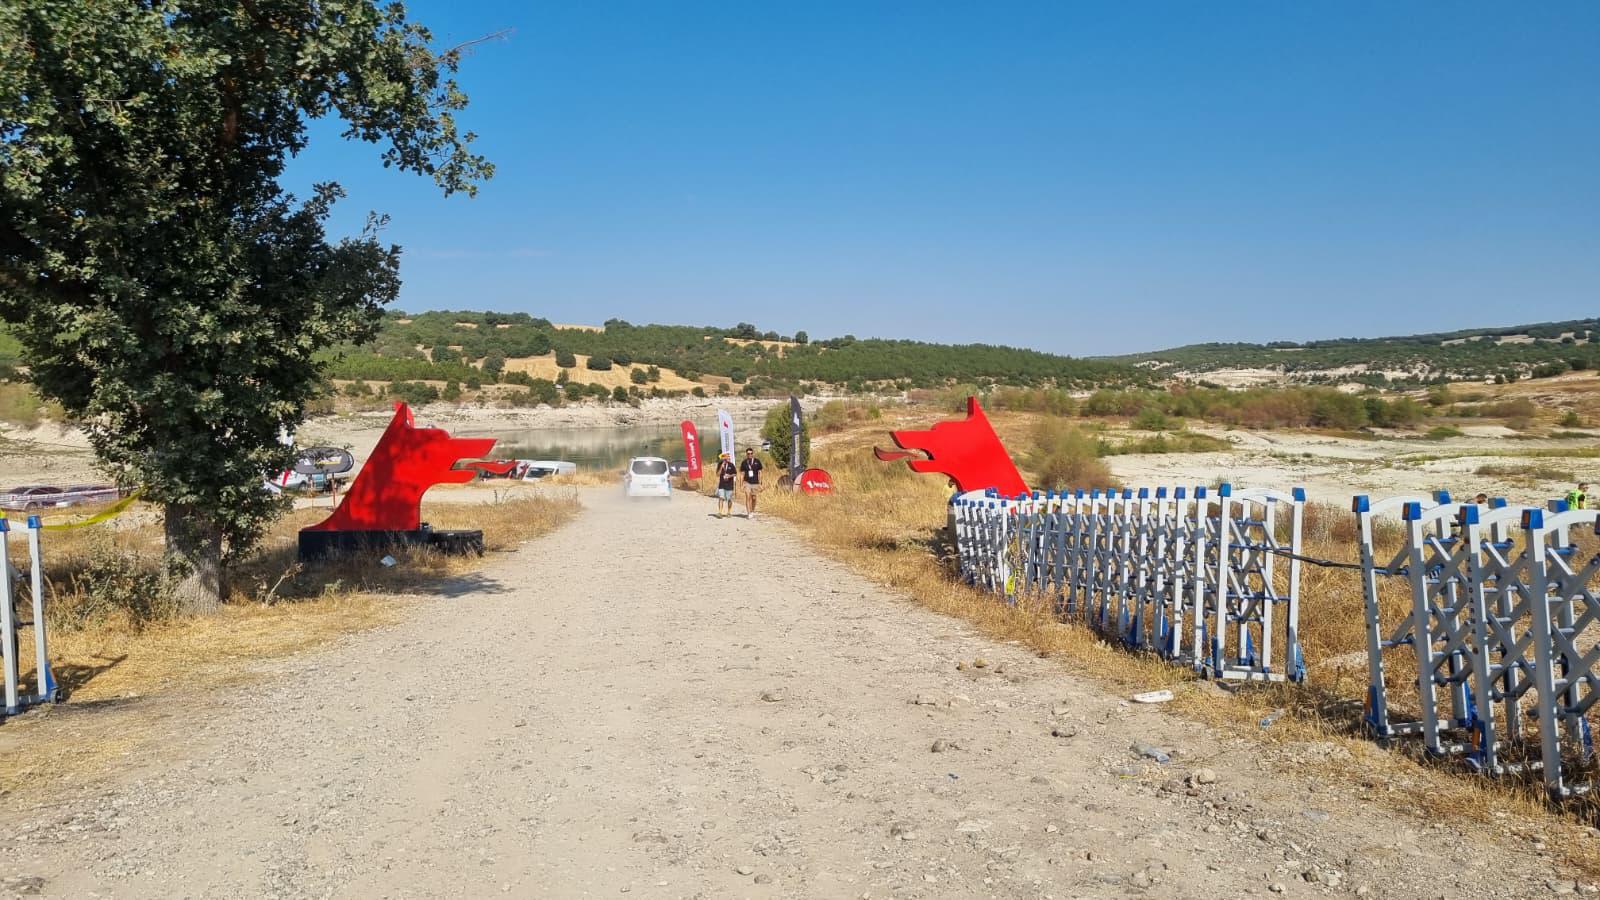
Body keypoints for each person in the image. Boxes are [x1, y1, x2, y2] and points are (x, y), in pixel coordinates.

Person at [739, 446, 764, 519]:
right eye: (748, 454)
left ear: (753, 454)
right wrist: (741, 485)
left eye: (751, 453)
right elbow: (742, 474)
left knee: (754, 498)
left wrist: (760, 483)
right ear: (746, 454)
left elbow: (760, 472)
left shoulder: (757, 461)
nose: (750, 455)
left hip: (755, 482)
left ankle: (752, 510)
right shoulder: (744, 462)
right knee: (748, 497)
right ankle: (749, 513)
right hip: (747, 482)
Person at [714, 452, 737, 518]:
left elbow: (735, 473)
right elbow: (717, 474)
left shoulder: (731, 465)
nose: (727, 458)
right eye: (726, 456)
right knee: (721, 498)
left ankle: (729, 512)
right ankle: (720, 512)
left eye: (728, 457)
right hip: (722, 484)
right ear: (723, 458)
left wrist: (729, 476)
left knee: (729, 499)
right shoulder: (720, 464)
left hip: (729, 485)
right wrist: (721, 467)